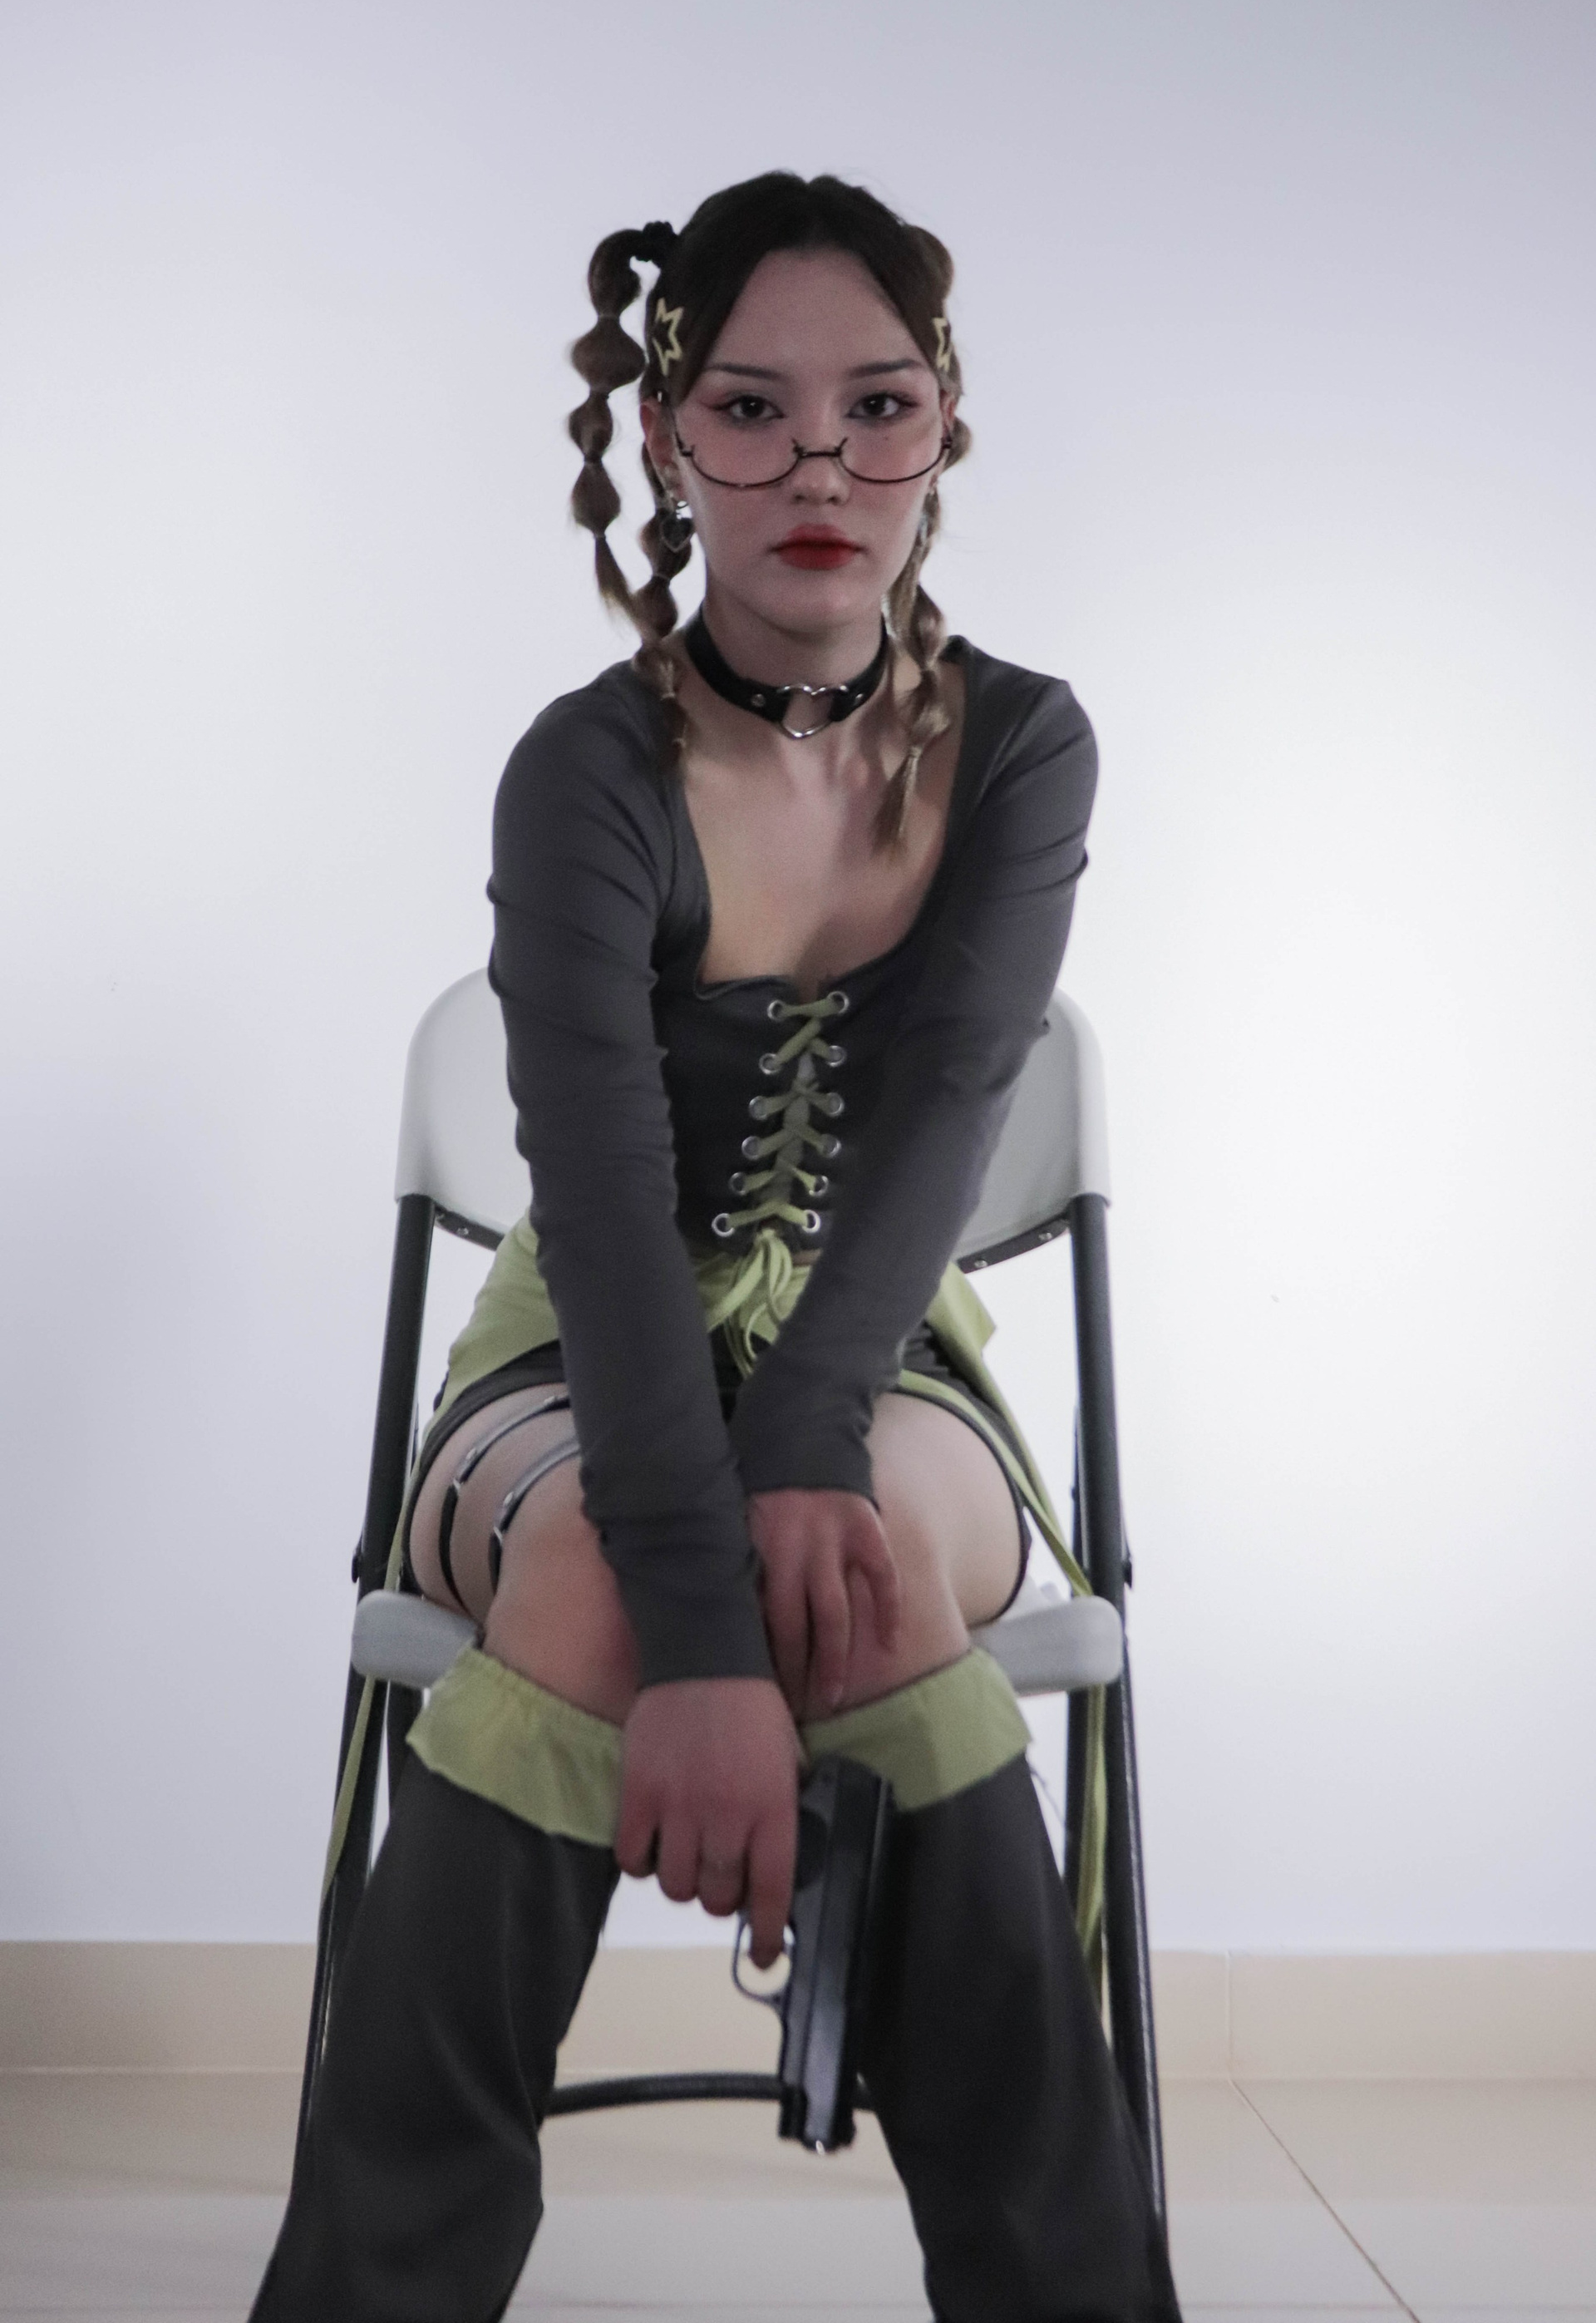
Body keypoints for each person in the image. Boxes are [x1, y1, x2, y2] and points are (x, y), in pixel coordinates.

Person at [252, 170, 1181, 2323]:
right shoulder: (584, 773)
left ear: (944, 425)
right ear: (669, 443)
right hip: (579, 1342)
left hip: (887, 1344)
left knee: (864, 1575)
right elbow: (595, 1212)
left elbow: (938, 1137)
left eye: (876, 406)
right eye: (753, 411)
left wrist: (798, 1467)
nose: (819, 467)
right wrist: (689, 1637)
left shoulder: (1023, 748)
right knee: (597, 1572)